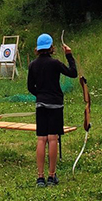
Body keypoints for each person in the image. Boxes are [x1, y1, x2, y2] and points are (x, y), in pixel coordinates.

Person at [27, 33, 77, 187]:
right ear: (51, 47)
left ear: (37, 48)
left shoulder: (32, 65)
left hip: (41, 104)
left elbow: (30, 87)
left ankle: (40, 177)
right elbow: (73, 73)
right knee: (53, 138)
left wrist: (40, 96)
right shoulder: (55, 63)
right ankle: (51, 175)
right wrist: (69, 55)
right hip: (55, 104)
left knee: (41, 139)